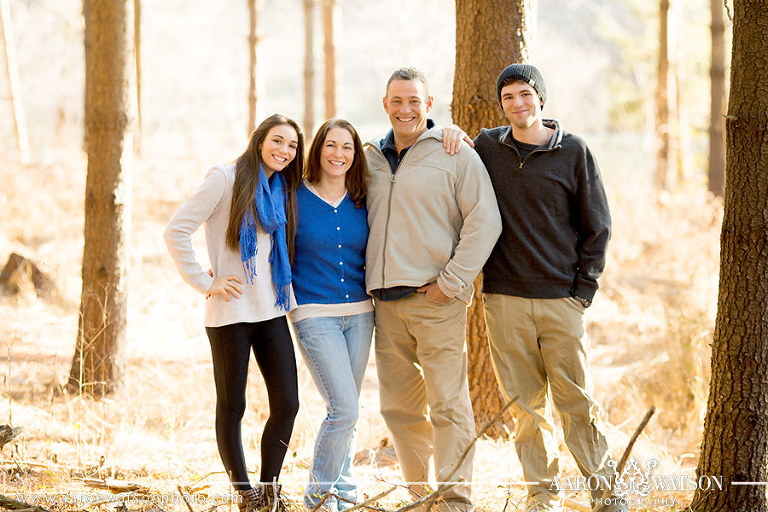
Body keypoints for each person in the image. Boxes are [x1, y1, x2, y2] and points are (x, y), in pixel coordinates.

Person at [472, 64, 623, 512]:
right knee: (526, 409)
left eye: (524, 94)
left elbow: (598, 226)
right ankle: (543, 497)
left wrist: (583, 291)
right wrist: (450, 135)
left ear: (540, 98)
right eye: (508, 98)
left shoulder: (574, 152)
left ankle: (605, 493)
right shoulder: (487, 148)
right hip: (504, 300)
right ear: (501, 106)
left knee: (577, 401)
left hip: (562, 300)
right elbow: (454, 151)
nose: (517, 104)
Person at [364, 67, 502, 512]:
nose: (405, 109)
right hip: (384, 305)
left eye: (414, 101)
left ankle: (455, 500)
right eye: (397, 101)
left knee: (448, 405)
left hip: (436, 301)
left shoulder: (455, 153)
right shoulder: (369, 159)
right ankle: (419, 499)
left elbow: (486, 221)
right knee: (399, 410)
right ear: (385, 105)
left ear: (428, 106)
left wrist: (452, 283)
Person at [164, 114, 303, 512]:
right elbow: (176, 229)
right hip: (230, 312)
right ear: (259, 140)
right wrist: (205, 282)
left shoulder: (281, 187)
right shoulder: (224, 178)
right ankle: (245, 494)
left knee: (288, 403)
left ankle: (270, 491)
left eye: (292, 146)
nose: (284, 151)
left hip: (272, 308)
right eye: (278, 141)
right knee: (233, 406)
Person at [290, 118, 373, 512]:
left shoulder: (363, 197)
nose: (339, 154)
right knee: (345, 408)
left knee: (347, 409)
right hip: (314, 314)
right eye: (331, 145)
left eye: (347, 147)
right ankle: (318, 500)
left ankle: (343, 494)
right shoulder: (294, 196)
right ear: (318, 150)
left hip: (360, 314)